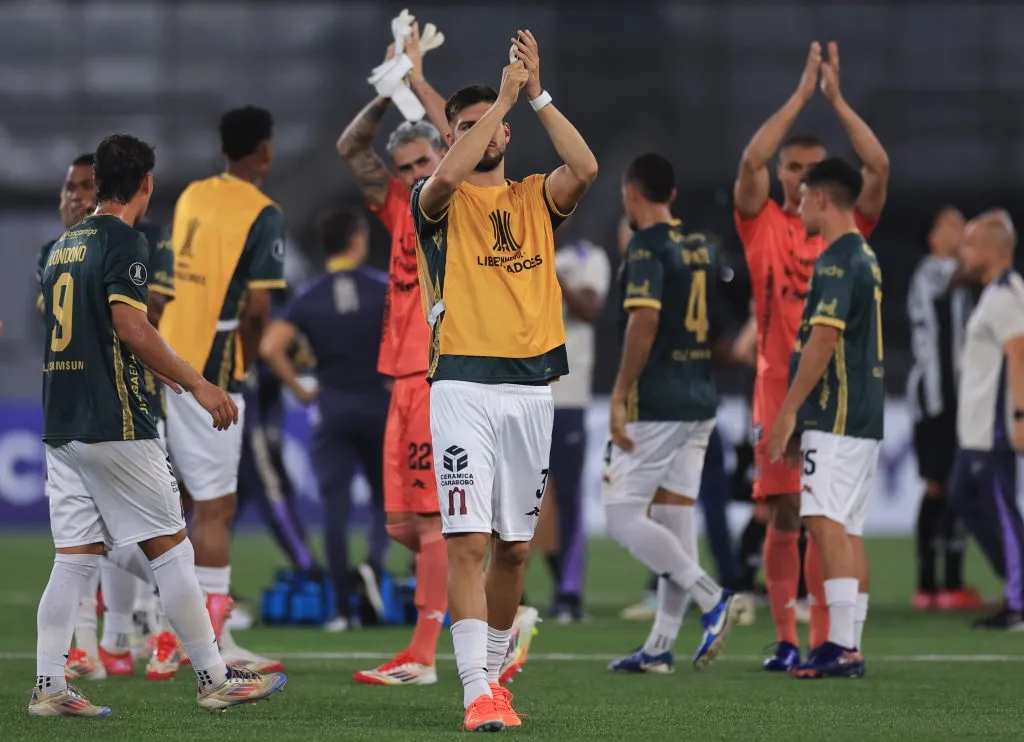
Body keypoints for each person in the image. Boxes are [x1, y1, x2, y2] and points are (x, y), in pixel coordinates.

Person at [32, 133, 285, 716]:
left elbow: (91, 330)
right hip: (114, 421)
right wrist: (198, 382)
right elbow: (131, 327)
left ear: (98, 181)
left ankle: (49, 685)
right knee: (172, 548)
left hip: (62, 421)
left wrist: (158, 368)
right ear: (147, 183)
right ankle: (215, 676)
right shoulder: (128, 240)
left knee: (73, 556)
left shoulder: (64, 245)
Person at [412, 30, 597, 731]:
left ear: (507, 135)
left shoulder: (532, 198)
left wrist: (536, 92)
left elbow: (585, 165)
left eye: (486, 125)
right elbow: (449, 174)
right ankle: (473, 691)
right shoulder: (436, 201)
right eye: (461, 127)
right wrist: (498, 103)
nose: (476, 135)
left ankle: (492, 674)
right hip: (461, 387)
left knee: (515, 548)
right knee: (466, 541)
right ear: (451, 137)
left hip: (530, 392)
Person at [734, 41, 889, 671]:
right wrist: (800, 96)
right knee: (788, 514)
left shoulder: (842, 241)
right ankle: (790, 637)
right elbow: (751, 159)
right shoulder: (766, 223)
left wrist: (835, 100)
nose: (794, 179)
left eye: (807, 171)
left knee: (826, 519)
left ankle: (833, 639)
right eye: (789, 168)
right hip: (780, 384)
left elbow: (877, 168)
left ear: (824, 184)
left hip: (825, 394)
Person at [335, 24, 468, 684]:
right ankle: (503, 616)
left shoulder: (458, 202)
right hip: (401, 379)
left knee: (435, 522)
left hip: (439, 372)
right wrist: (387, 89)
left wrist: (419, 82)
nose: (417, 174)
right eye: (409, 166)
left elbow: (463, 145)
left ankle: (423, 655)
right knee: (401, 527)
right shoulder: (397, 205)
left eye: (427, 163)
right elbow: (351, 146)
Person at [158, 106, 285, 675]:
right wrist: (251, 364)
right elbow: (258, 305)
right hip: (212, 373)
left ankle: (156, 629)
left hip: (166, 359)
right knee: (216, 508)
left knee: (176, 504)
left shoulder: (190, 195)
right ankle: (212, 644)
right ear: (265, 152)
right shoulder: (263, 211)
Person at [604, 153, 739, 675]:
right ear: (672, 195)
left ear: (631, 192)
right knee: (673, 516)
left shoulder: (645, 246)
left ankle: (714, 598)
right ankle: (661, 645)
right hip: (700, 399)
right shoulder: (702, 246)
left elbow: (644, 321)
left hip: (656, 402)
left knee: (620, 517)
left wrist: (619, 394)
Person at [767, 157, 883, 679]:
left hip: (836, 415)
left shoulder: (838, 258)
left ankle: (840, 646)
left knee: (823, 521)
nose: (798, 203)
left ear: (821, 198)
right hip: (862, 414)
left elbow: (823, 337)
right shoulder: (864, 254)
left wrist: (790, 410)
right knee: (848, 527)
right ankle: (849, 643)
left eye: (803, 193)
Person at [260, 208, 391, 632]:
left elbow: (270, 347)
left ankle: (341, 610)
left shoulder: (308, 296)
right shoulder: (383, 288)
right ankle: (372, 563)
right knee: (386, 499)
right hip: (379, 403)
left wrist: (299, 388)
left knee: (335, 508)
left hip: (331, 406)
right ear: (357, 238)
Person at [948, 211, 1024, 630]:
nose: (964, 252)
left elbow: (1019, 353)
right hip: (973, 432)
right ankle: (1017, 583)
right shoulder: (993, 294)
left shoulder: (1006, 296)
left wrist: (1019, 416)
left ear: (994, 250)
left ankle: (1019, 600)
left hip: (993, 432)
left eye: (971, 244)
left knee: (1001, 508)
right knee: (965, 499)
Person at [907, 207, 985, 612]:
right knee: (938, 485)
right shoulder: (931, 271)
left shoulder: (955, 273)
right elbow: (956, 280)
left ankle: (950, 583)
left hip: (959, 397)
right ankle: (928, 584)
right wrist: (995, 260)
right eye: (954, 223)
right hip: (935, 398)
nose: (963, 228)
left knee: (955, 484)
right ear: (934, 236)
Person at [545, 225, 610, 622]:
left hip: (568, 397)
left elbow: (591, 310)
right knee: (518, 502)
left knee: (567, 497)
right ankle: (514, 590)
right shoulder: (514, 252)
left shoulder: (589, 257)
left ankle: (569, 593)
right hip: (521, 392)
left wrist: (549, 279)